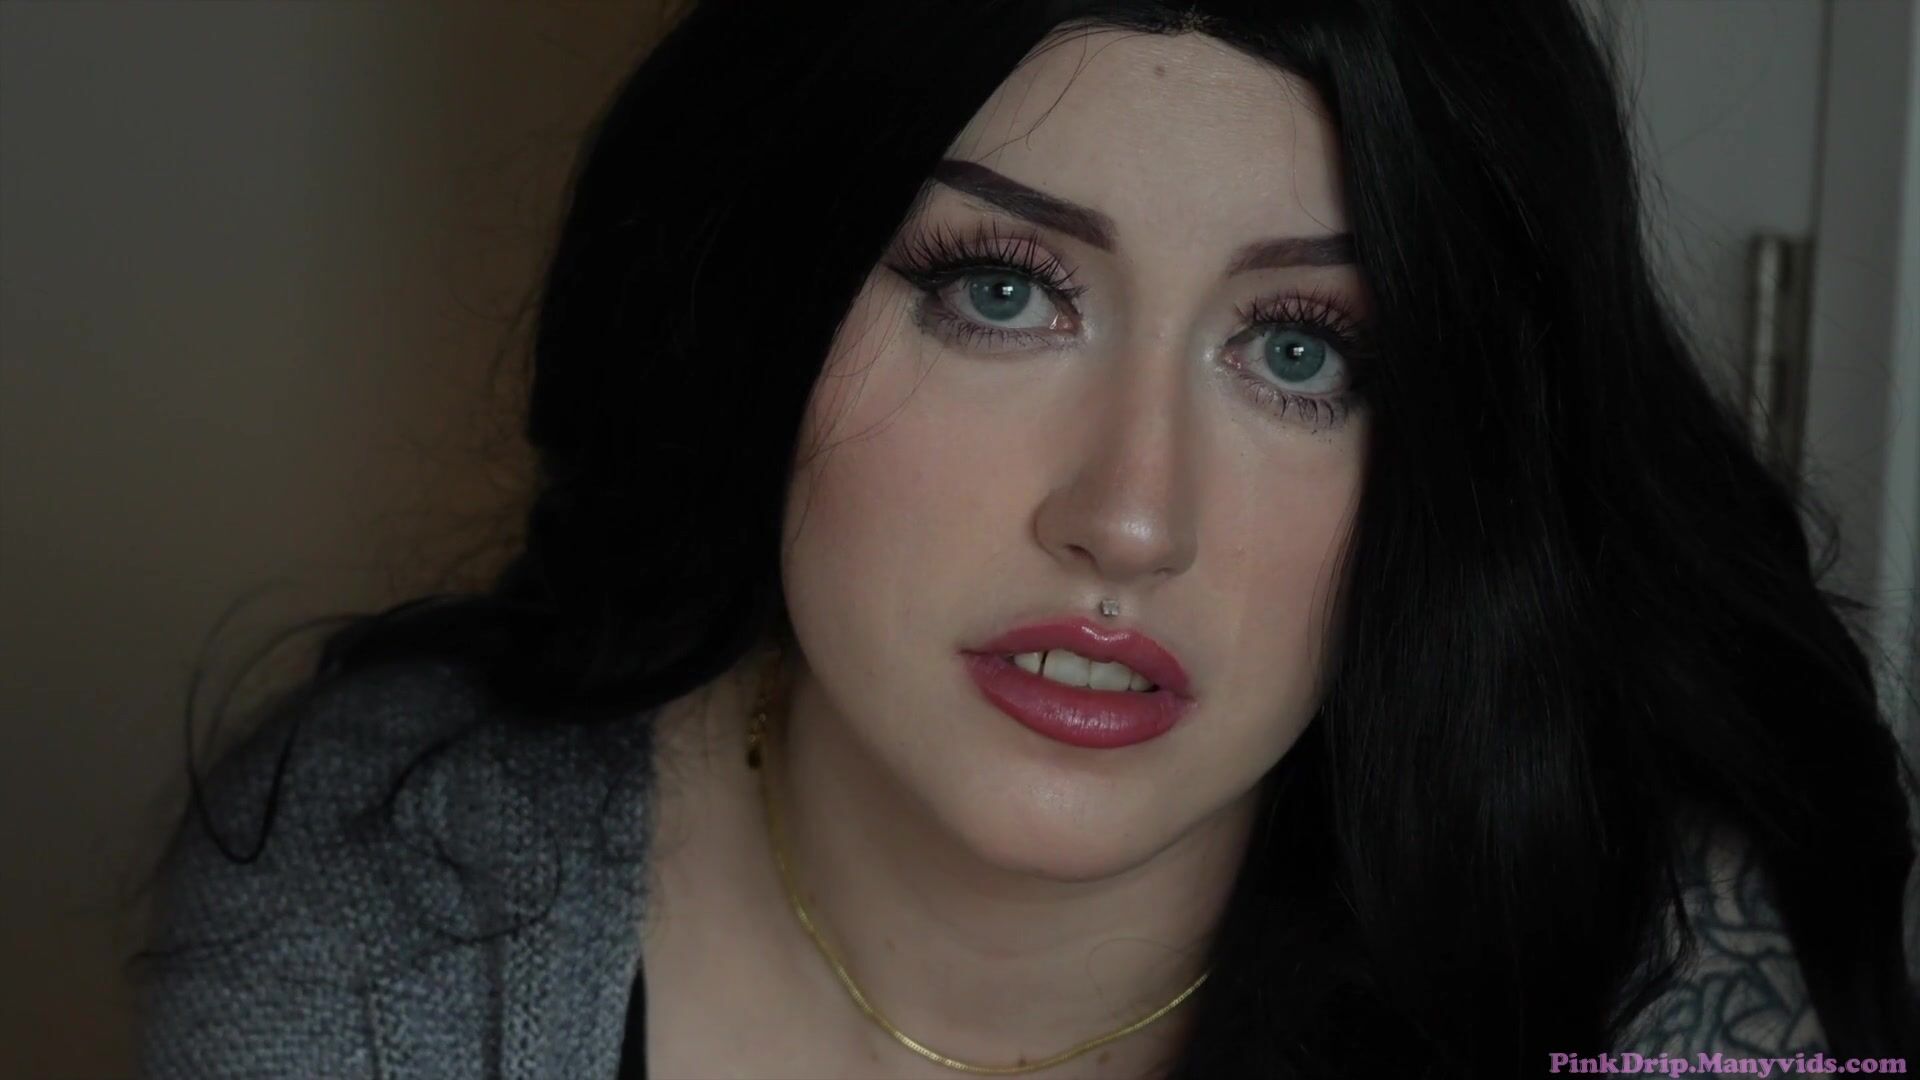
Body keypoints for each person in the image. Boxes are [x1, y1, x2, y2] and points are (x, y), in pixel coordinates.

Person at [130, 1, 1920, 1077]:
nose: (1129, 515)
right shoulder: (395, 888)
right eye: (1002, 290)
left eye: (1306, 352)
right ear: (763, 297)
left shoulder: (1664, 963)